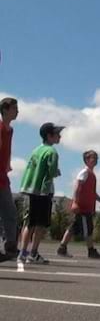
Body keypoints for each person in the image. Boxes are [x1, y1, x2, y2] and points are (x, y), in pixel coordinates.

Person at [18, 122, 64, 265]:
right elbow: (51, 172)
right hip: (43, 192)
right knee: (40, 224)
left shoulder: (36, 150)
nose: (60, 136)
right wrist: (56, 172)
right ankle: (33, 253)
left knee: (30, 222)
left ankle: (22, 252)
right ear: (49, 136)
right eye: (57, 133)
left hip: (31, 189)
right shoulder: (52, 152)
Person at [56, 150, 100, 259]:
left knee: (72, 228)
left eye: (96, 158)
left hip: (86, 207)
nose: (95, 160)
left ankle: (62, 248)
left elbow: (93, 193)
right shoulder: (84, 172)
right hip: (82, 208)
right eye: (92, 157)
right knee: (88, 229)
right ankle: (91, 251)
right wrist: (75, 203)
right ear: (86, 160)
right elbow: (77, 187)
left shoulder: (91, 175)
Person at [0, 97, 19, 262]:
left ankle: (10, 245)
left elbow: (7, 149)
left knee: (10, 212)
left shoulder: (10, 130)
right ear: (5, 110)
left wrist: (7, 165)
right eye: (14, 108)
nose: (17, 111)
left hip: (2, 177)